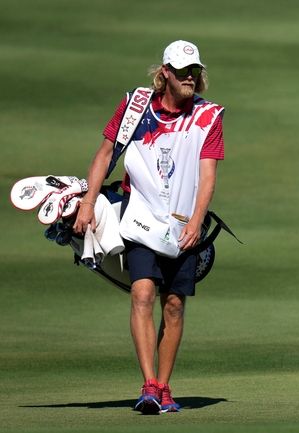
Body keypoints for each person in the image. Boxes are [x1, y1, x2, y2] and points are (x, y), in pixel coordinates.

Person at [73, 40, 225, 414]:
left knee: (173, 304)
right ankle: (149, 386)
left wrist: (195, 220)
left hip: (183, 225)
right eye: (182, 71)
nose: (190, 78)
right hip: (139, 216)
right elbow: (106, 153)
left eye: (195, 71)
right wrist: (89, 202)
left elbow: (208, 177)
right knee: (142, 294)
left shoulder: (209, 117)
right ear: (165, 73)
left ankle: (166, 385)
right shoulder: (135, 106)